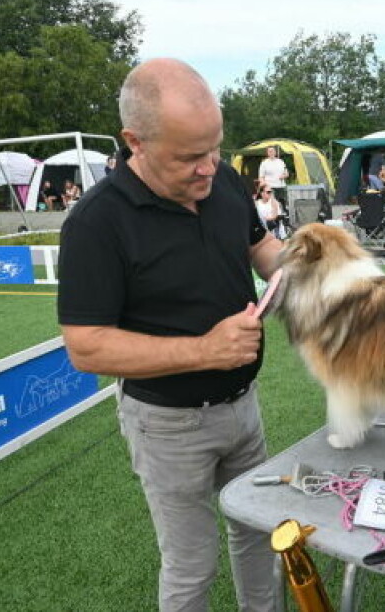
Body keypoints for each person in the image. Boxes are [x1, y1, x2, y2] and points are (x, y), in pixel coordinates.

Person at [57, 58, 283, 611]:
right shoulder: (95, 223)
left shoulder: (223, 179)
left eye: (215, 149)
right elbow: (85, 346)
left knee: (261, 535)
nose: (208, 169)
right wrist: (205, 350)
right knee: (191, 565)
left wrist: (301, 268)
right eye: (188, 157)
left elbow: (259, 248)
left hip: (242, 405)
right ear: (135, 141)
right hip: (168, 424)